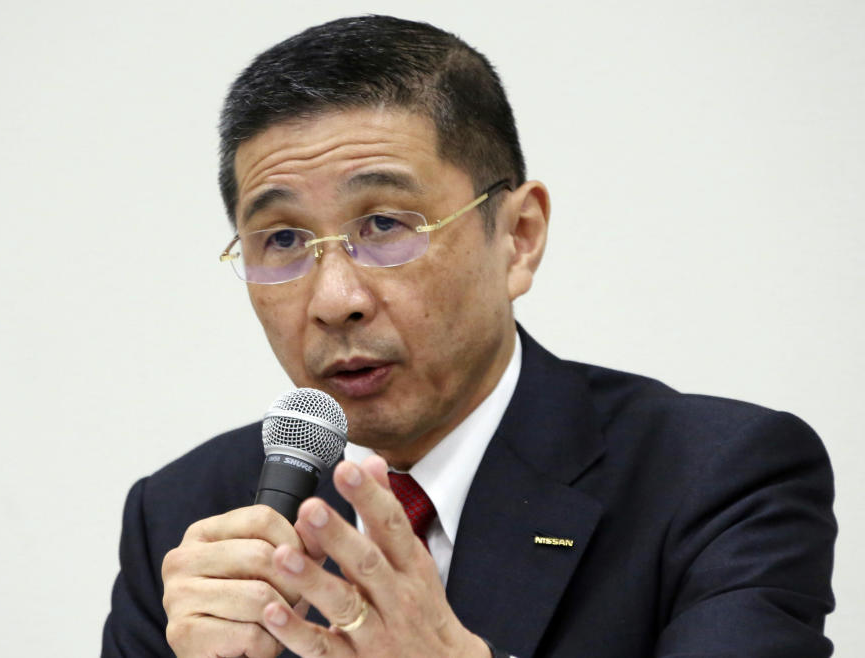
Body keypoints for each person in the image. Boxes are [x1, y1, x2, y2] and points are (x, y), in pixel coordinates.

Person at [102, 15, 836, 658]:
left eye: (385, 226)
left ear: (518, 237)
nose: (334, 300)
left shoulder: (719, 481)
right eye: (284, 238)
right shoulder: (183, 520)